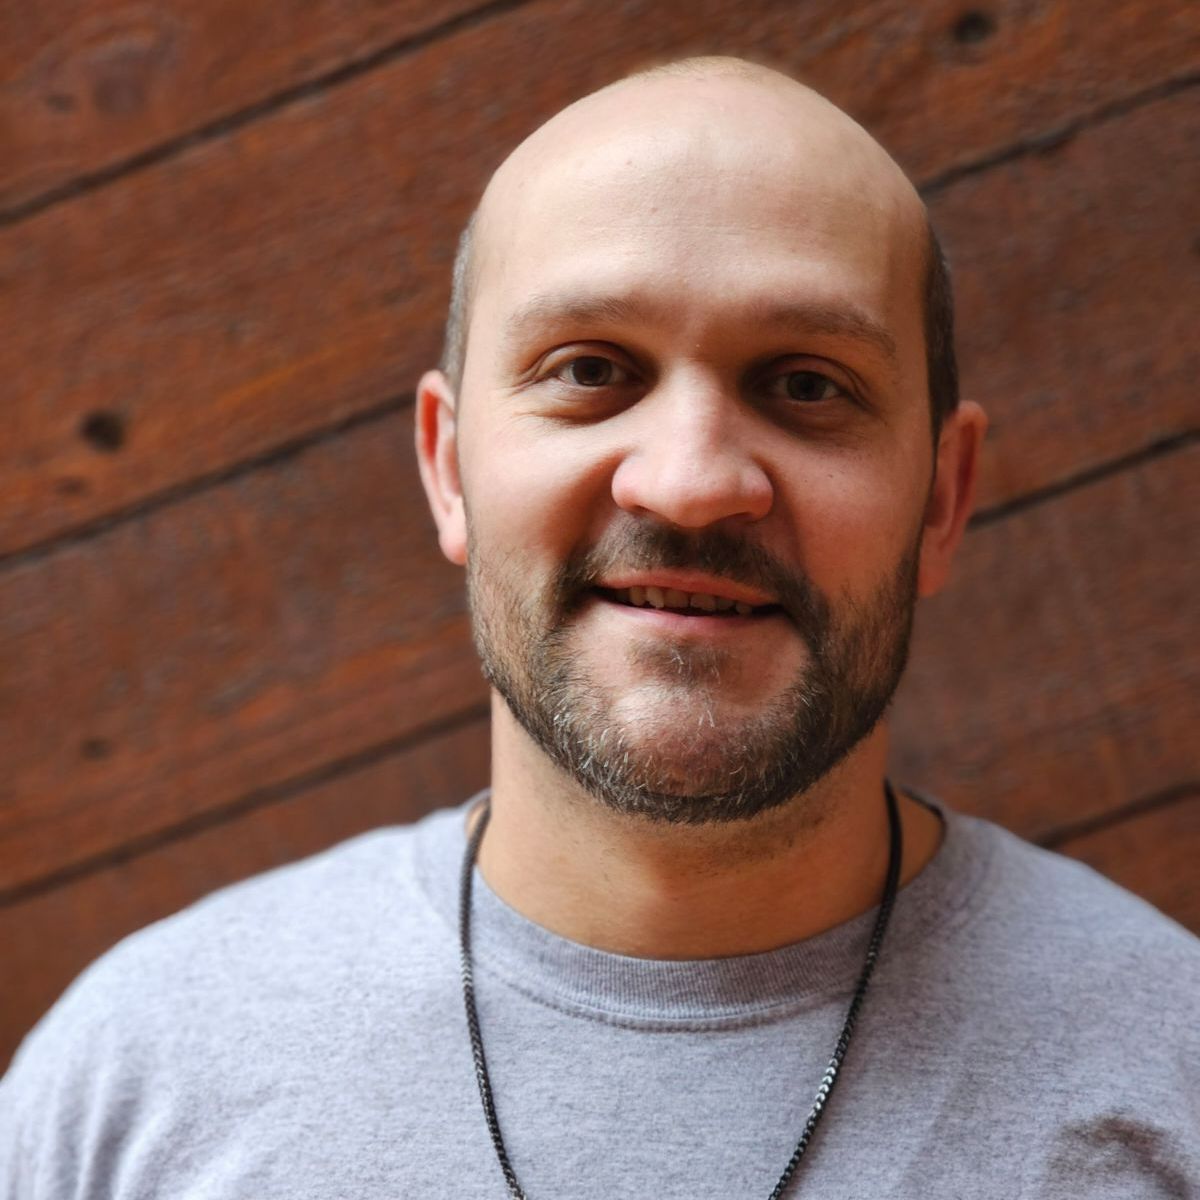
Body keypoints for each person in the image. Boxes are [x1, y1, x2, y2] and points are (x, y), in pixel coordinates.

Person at [2, 56, 1198, 1200]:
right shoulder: (138, 1080)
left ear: (942, 497)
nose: (688, 483)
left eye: (806, 384)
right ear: (449, 468)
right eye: (590, 369)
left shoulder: (1169, 1079)